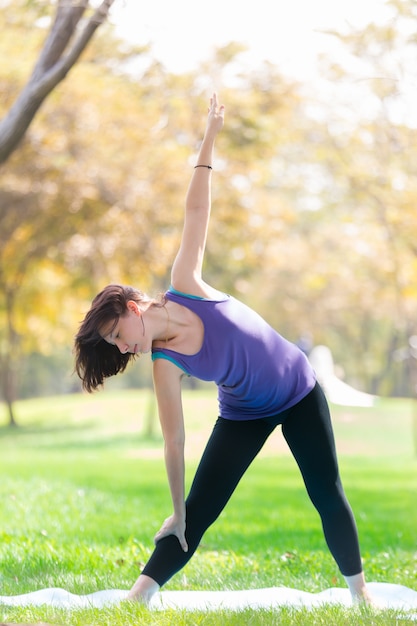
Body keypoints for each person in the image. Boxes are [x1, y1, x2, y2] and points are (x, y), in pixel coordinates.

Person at [74, 93, 373, 606]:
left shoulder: (185, 283)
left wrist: (209, 137)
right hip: (243, 413)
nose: (124, 346)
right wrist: (176, 509)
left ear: (133, 306)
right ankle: (137, 597)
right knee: (198, 510)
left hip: (298, 390)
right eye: (115, 346)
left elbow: (195, 208)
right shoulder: (165, 364)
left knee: (327, 494)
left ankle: (361, 596)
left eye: (118, 331)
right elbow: (174, 441)